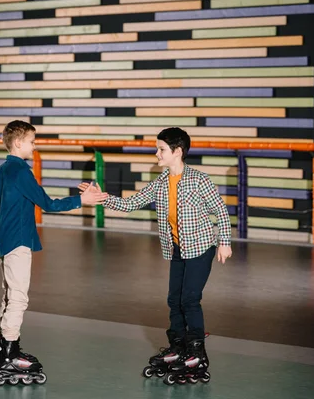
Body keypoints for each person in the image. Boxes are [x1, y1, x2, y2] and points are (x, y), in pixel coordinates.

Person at [79, 127, 232, 385]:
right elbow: (131, 204)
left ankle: (196, 353)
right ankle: (178, 347)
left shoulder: (199, 180)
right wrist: (102, 198)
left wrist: (224, 242)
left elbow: (221, 211)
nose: (156, 153)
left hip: (201, 248)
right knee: (174, 300)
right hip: (177, 249)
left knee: (190, 299)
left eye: (161, 149)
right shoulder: (161, 182)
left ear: (178, 152)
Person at [0, 120, 109, 386]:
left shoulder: (3, 170)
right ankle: (8, 353)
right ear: (18, 143)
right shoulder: (21, 172)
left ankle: (4, 348)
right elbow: (47, 203)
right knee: (18, 298)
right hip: (18, 241)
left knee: (8, 294)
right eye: (31, 141)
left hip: (5, 240)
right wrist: (81, 201)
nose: (34, 145)